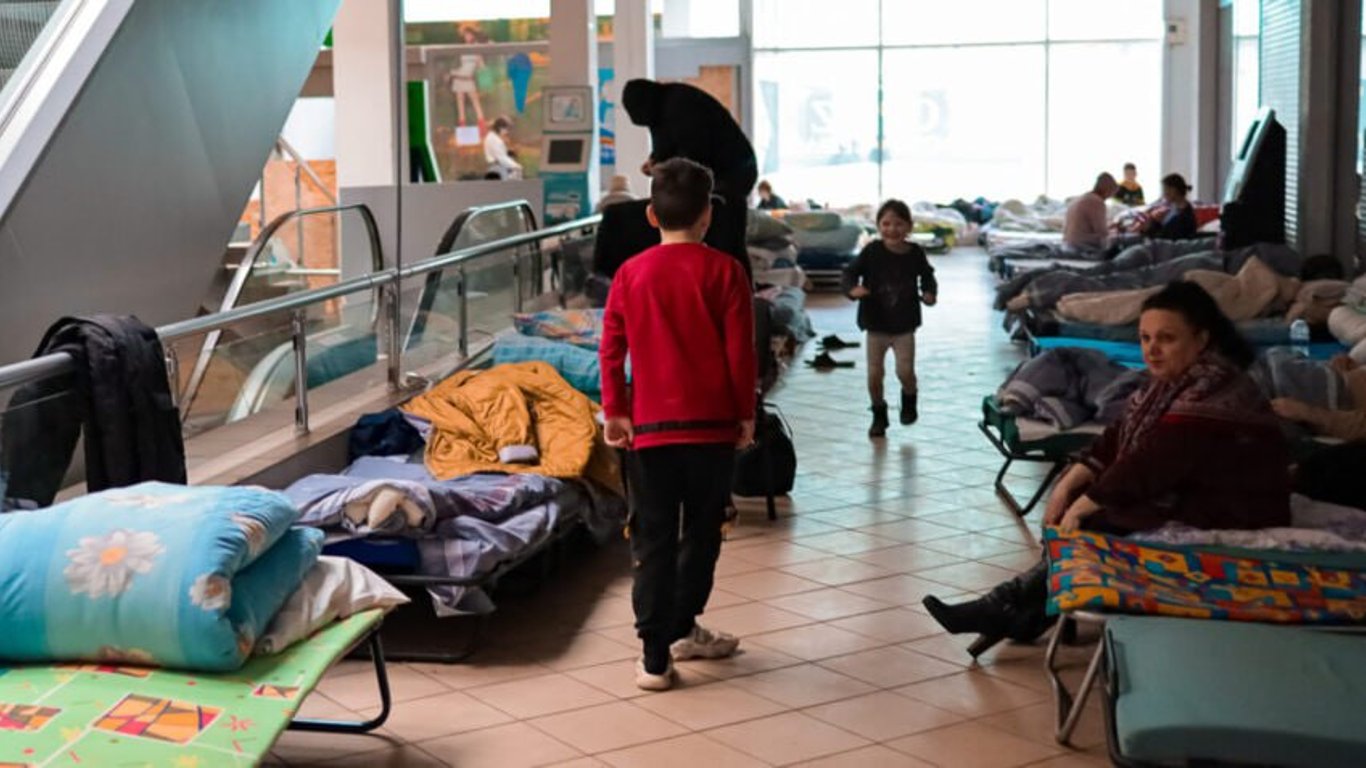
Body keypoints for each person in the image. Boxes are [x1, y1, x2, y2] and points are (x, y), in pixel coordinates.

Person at [923, 282, 1290, 658]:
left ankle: (1009, 608)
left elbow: (1155, 459)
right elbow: (1119, 435)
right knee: (1088, 506)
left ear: (1201, 339)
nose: (1152, 349)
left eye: (1166, 338)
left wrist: (1086, 503)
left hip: (1239, 505)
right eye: (1145, 338)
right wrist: (1069, 484)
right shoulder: (1172, 381)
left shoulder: (1215, 386)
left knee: (1099, 519)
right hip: (1195, 488)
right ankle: (1023, 611)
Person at [599, 158, 757, 692]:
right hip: (711, 429)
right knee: (703, 532)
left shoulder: (630, 273)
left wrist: (615, 411)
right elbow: (740, 354)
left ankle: (654, 657)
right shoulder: (726, 271)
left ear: (651, 214)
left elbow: (611, 349)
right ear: (708, 215)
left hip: (649, 431)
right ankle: (682, 625)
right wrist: (744, 414)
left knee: (653, 538)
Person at [621, 80, 756, 272]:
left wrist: (660, 167)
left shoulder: (680, 106)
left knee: (725, 239)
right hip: (724, 172)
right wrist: (654, 162)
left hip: (732, 174)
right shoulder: (661, 107)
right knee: (714, 241)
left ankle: (734, 283)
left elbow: (693, 154)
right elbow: (665, 147)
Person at [841, 199, 938, 438]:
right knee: (874, 375)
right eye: (886, 224)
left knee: (905, 371)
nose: (892, 229)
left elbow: (927, 276)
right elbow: (850, 272)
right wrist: (852, 289)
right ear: (878, 226)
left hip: (904, 325)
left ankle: (909, 398)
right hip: (876, 324)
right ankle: (878, 413)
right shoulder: (872, 251)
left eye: (898, 224)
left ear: (909, 226)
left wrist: (929, 293)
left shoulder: (915, 253)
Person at [1272, 354, 1366, 441]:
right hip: (1329, 378)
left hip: (1329, 402)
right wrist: (1347, 366)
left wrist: (1305, 412)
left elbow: (1360, 427)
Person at [1063, 172, 1119, 251]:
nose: (1110, 196)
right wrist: (1115, 230)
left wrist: (1110, 226)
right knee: (1122, 240)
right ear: (1108, 189)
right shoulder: (1097, 202)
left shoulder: (1082, 198)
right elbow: (1102, 232)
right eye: (1111, 193)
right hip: (1082, 246)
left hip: (1068, 243)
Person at [448, 25, 486, 130]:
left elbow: (481, 65)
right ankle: (462, 127)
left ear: (473, 35)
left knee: (475, 102)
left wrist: (485, 82)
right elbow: (456, 63)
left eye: (469, 34)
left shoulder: (477, 47)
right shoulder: (462, 48)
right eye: (465, 35)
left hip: (468, 79)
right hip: (458, 77)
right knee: (460, 104)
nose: (467, 37)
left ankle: (482, 126)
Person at [1144, 173, 1198, 240]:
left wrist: (1152, 223)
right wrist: (1155, 222)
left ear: (1173, 190)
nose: (1164, 194)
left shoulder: (1184, 216)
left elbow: (1164, 238)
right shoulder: (1174, 209)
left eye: (1165, 190)